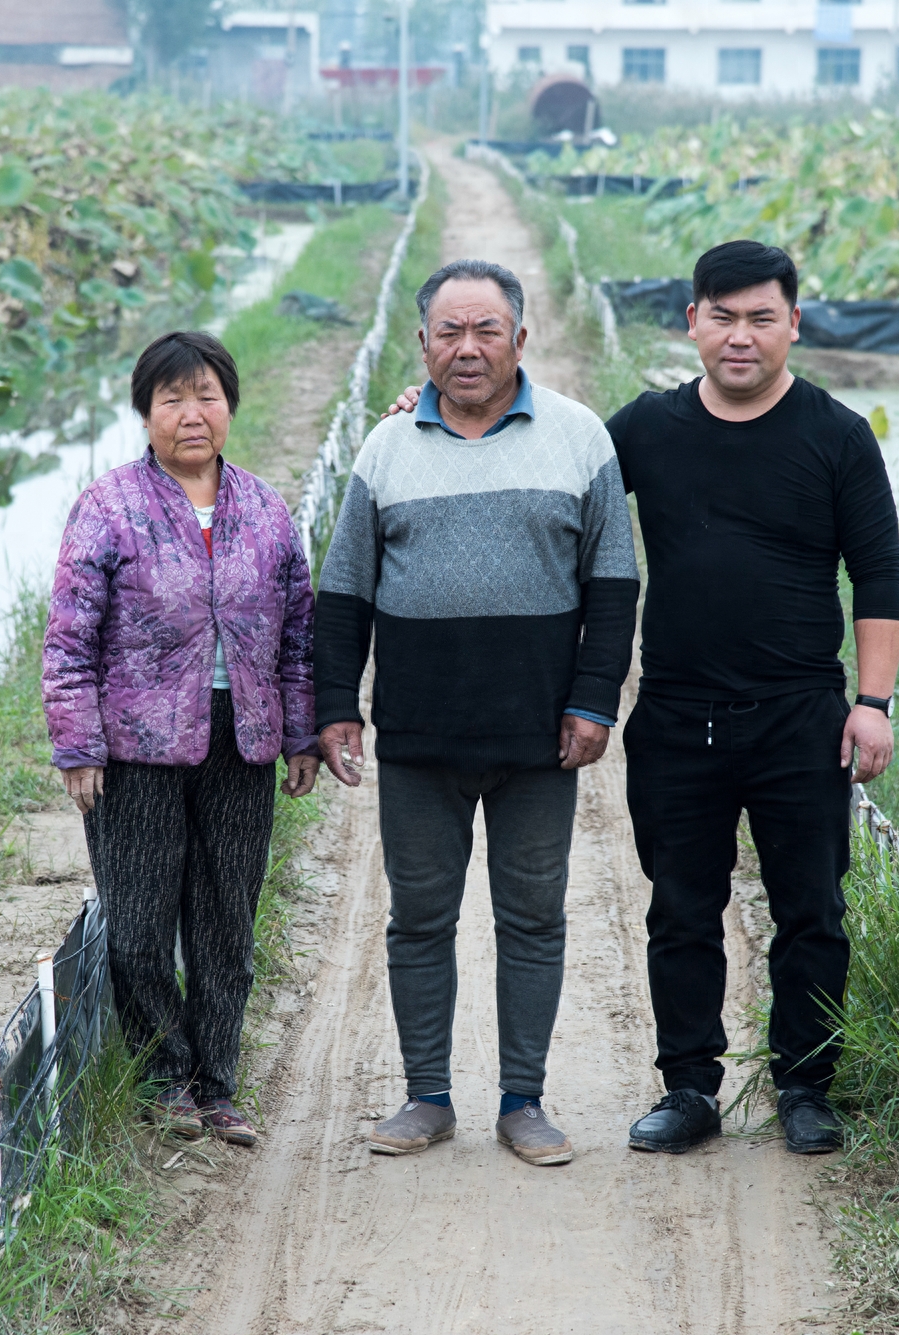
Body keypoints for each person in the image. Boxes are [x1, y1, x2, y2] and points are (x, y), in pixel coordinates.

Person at [314, 259, 639, 1167]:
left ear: (520, 340)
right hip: (420, 736)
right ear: (421, 345)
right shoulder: (386, 451)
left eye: (485, 330)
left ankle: (524, 1100)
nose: (467, 348)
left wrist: (592, 700)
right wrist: (337, 704)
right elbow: (343, 591)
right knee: (420, 917)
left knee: (532, 916)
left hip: (542, 738)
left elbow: (614, 585)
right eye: (448, 333)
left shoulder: (579, 439)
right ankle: (427, 1095)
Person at [611, 240, 899, 1156]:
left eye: (761, 318)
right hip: (675, 712)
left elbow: (879, 575)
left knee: (811, 907)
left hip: (799, 715)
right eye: (723, 316)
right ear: (692, 321)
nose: (742, 336)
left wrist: (874, 701)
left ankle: (806, 1084)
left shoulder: (837, 435)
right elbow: (546, 467)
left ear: (794, 325)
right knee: (681, 906)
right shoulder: (647, 429)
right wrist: (430, 414)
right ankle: (690, 1087)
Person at [42, 330, 320, 1147]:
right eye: (172, 400)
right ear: (146, 414)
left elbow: (299, 632)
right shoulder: (109, 506)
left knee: (225, 921)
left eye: (207, 396)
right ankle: (166, 1077)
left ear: (230, 405)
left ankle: (219, 1083)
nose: (191, 414)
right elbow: (68, 638)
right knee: (137, 922)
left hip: (244, 741)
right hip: (134, 749)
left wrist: (299, 732)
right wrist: (79, 742)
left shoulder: (266, 508)